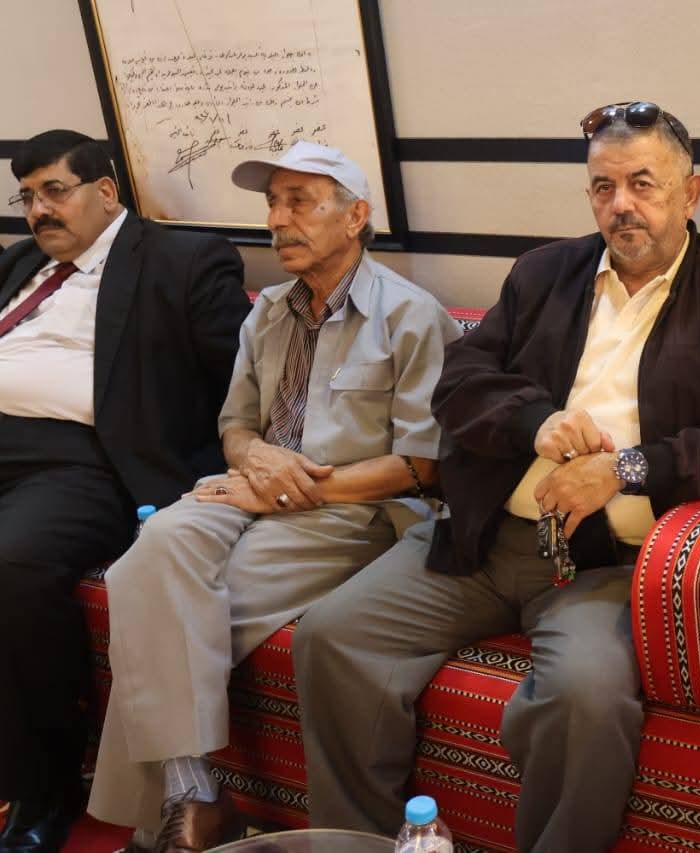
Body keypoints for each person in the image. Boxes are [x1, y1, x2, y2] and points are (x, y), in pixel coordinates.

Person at [291, 101, 700, 851]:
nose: (621, 205)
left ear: (690, 193)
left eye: (643, 184)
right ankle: (356, 843)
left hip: (608, 566)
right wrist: (537, 422)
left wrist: (622, 470)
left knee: (584, 698)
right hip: (484, 538)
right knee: (331, 635)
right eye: (603, 187)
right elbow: (460, 382)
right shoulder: (544, 272)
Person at [85, 141, 460, 853]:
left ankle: (171, 816)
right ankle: (194, 789)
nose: (278, 220)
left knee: (181, 611)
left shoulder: (410, 316)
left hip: (350, 513)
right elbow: (234, 425)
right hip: (246, 491)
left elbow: (423, 466)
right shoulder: (267, 314)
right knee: (146, 558)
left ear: (355, 216)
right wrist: (255, 458)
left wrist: (289, 490)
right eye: (273, 204)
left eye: (299, 203)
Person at [0, 130, 248, 853]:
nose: (38, 211)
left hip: (84, 461)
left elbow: (242, 379)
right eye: (26, 197)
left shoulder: (182, 260)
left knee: (11, 564)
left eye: (54, 190)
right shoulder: (19, 264)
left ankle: (44, 785)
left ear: (106, 191)